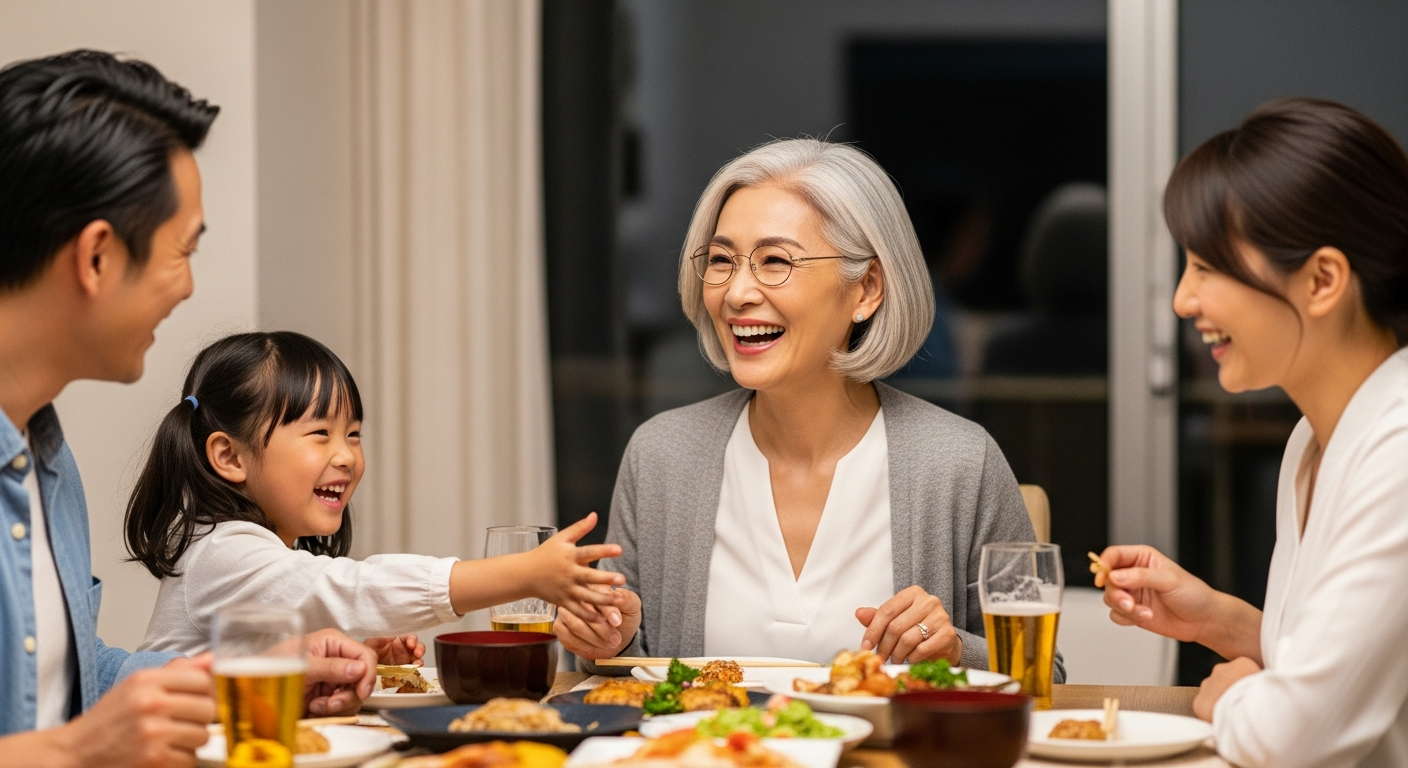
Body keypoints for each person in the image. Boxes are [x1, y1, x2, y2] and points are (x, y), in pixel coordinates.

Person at [557, 138, 1057, 676]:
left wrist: (955, 651)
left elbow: (1040, 673)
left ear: (866, 289)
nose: (737, 293)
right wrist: (611, 643)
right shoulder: (662, 455)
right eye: (721, 260)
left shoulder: (961, 461)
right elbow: (613, 673)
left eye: (775, 261)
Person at [0, 50, 376, 765]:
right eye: (181, 251)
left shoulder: (46, 460)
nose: (188, 287)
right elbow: (70, 734)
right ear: (97, 257)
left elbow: (73, 683)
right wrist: (77, 752)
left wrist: (254, 676)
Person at [1094, 98, 1408, 767]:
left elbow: (1296, 736)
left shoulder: (1398, 447)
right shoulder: (1312, 441)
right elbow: (1343, 666)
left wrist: (1233, 695)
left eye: (1207, 267)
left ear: (1322, 280)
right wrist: (1218, 620)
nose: (1183, 300)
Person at [127, 331, 626, 658]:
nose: (346, 456)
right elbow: (352, 589)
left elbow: (269, 668)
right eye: (320, 434)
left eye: (354, 434)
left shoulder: (269, 559)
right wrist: (526, 573)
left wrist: (351, 663)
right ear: (230, 457)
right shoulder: (223, 552)